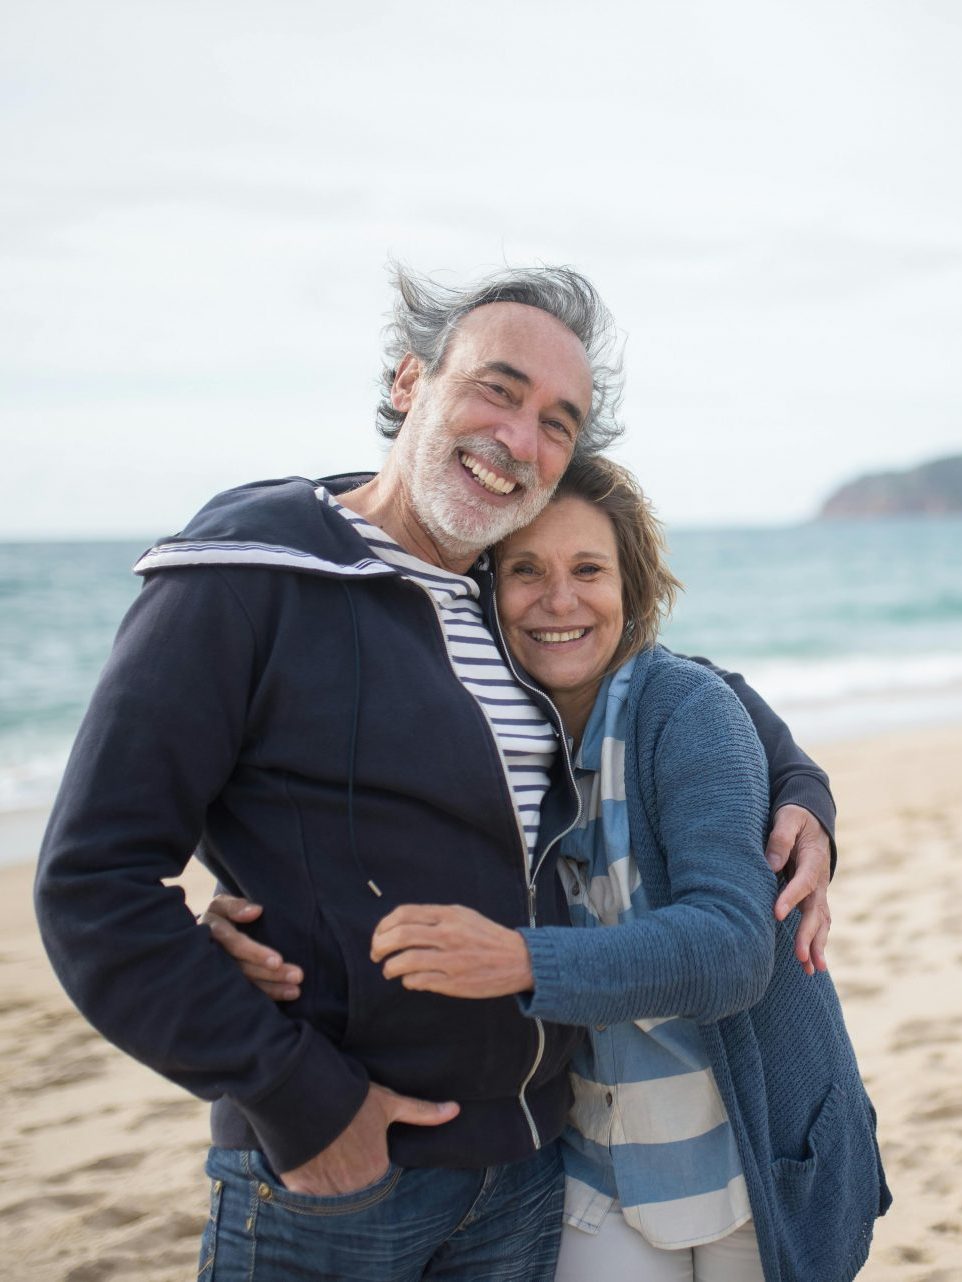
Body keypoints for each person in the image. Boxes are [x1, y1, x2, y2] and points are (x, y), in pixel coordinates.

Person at [36, 265, 839, 1282]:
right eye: (497, 390)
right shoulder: (245, 577)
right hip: (341, 1181)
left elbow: (667, 678)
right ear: (410, 381)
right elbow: (92, 886)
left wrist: (799, 788)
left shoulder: (497, 593)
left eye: (559, 420)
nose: (520, 439)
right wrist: (305, 1105)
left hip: (535, 1169)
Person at [222, 456, 888, 1279]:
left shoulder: (682, 709)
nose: (560, 600)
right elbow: (342, 813)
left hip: (751, 1157)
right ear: (484, 590)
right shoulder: (484, 727)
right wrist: (247, 907)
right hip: (597, 1154)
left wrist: (519, 961)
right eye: (526, 570)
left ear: (631, 587)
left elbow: (732, 950)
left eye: (588, 570)